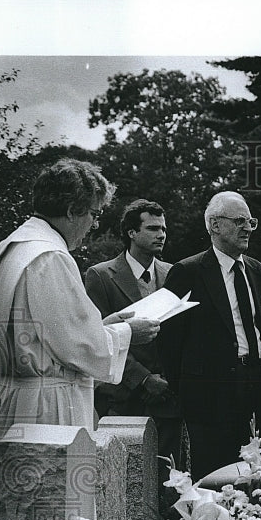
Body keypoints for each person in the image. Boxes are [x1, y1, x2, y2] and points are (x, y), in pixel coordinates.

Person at [0, 160, 158, 520]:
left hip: (17, 395)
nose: (95, 225)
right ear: (71, 210)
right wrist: (129, 332)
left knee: (20, 516)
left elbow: (53, 331)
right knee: (58, 517)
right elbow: (80, 348)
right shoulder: (50, 257)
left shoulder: (12, 247)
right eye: (94, 215)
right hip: (50, 404)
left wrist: (103, 325)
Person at [158, 191, 261, 479]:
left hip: (254, 386)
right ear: (215, 225)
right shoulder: (188, 272)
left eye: (251, 221)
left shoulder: (257, 271)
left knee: (254, 473)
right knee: (214, 476)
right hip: (209, 396)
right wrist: (186, 389)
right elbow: (169, 340)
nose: (247, 228)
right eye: (239, 221)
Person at [84, 199, 182, 472]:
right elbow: (98, 336)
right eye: (152, 228)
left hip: (167, 398)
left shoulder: (172, 272)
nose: (161, 234)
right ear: (131, 232)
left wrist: (168, 379)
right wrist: (143, 379)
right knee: (125, 482)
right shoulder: (101, 276)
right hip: (122, 398)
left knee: (169, 477)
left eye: (163, 229)